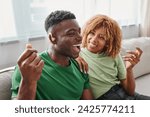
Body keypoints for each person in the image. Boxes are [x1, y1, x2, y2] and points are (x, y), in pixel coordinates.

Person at [11, 10, 93, 100]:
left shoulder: (80, 67)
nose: (80, 37)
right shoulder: (28, 68)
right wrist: (28, 81)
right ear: (52, 38)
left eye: (79, 32)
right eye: (71, 33)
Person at [76, 14, 150, 100]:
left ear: (108, 42)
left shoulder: (114, 55)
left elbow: (130, 92)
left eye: (101, 37)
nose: (94, 39)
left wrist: (129, 69)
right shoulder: (77, 54)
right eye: (92, 33)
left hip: (123, 93)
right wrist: (75, 57)